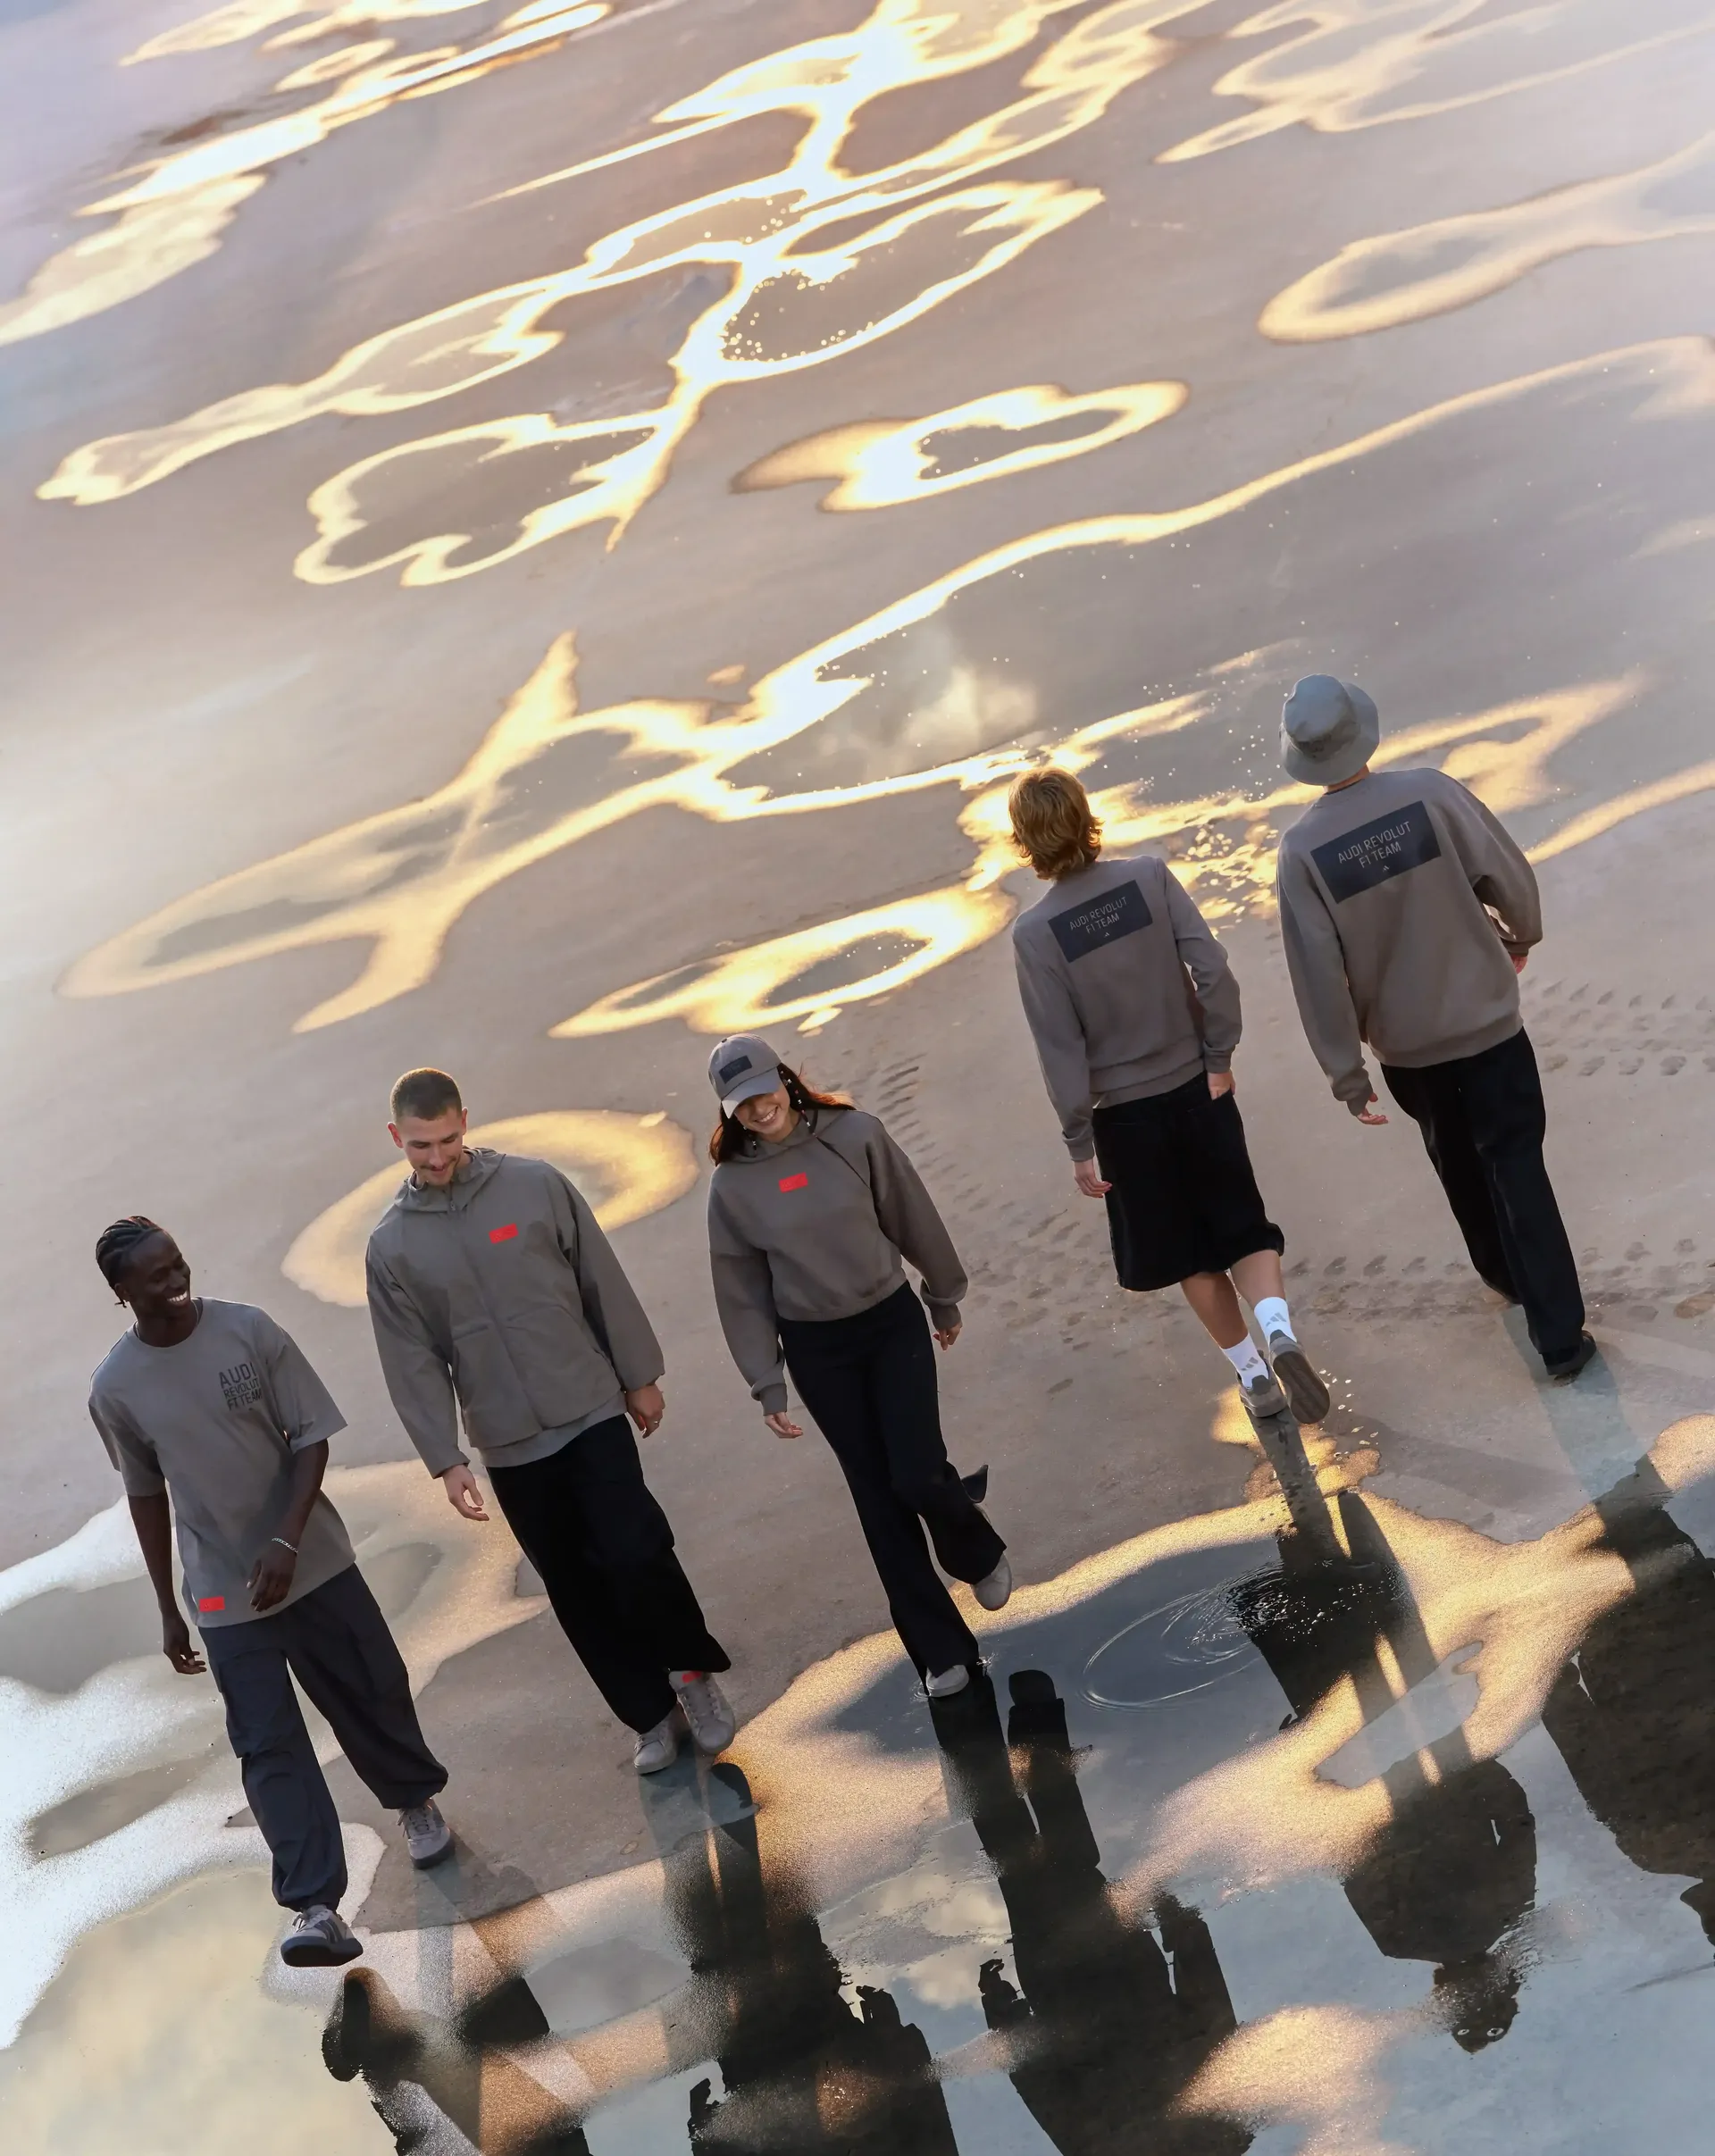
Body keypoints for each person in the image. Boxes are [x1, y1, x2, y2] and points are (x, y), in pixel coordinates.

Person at [88, 1217, 453, 1971]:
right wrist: (168, 1606)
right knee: (266, 1742)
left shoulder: (249, 1332)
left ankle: (415, 1803)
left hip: (312, 1560)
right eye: (154, 1277)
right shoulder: (116, 1390)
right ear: (122, 1293)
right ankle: (315, 1906)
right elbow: (146, 1496)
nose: (174, 1281)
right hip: (224, 1594)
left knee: (370, 1689)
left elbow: (310, 1436)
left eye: (178, 1264)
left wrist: (286, 1539)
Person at [364, 1067, 733, 1775]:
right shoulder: (393, 1246)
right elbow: (410, 1359)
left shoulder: (533, 1186)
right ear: (396, 1139)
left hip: (589, 1405)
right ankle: (649, 1714)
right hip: (509, 1444)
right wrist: (445, 1457)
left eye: (445, 1140)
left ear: (465, 1122)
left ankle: (692, 1674)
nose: (435, 1158)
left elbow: (599, 1277)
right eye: (418, 1147)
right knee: (574, 1584)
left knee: (637, 1550)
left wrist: (639, 1375)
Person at [1273, 674, 1594, 1381]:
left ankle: (1505, 1277)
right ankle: (1561, 1337)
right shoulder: (1431, 792)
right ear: (1362, 730)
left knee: (1455, 1160)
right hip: (1487, 1026)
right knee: (1517, 1163)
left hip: (1407, 1050)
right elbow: (1505, 872)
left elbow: (1317, 975)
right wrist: (1521, 937)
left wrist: (1345, 1072)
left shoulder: (1302, 852)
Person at [1008, 766, 1330, 1429]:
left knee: (1190, 1254)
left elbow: (1060, 1047)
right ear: (1084, 815)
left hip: (1124, 1120)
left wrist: (1078, 1142)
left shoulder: (1035, 935)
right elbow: (1212, 970)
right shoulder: (1149, 877)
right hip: (1196, 1086)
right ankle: (1279, 1330)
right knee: (1244, 1226)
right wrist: (1219, 1057)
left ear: (1025, 840)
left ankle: (1255, 1380)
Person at [705, 1036, 1010, 1699]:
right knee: (877, 1500)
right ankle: (939, 1652)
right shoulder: (732, 1188)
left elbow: (911, 1214)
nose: (756, 1111)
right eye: (740, 1106)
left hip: (889, 1322)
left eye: (762, 1093)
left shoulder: (855, 1135)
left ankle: (975, 1549)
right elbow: (741, 1291)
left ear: (784, 1079)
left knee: (918, 1472)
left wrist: (944, 1295)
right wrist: (766, 1381)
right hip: (817, 1351)